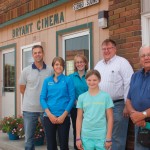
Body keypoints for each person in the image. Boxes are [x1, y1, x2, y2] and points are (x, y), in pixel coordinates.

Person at [94, 39, 133, 150]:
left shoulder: (122, 62)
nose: (106, 51)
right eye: (104, 49)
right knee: (103, 134)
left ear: (115, 49)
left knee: (117, 137)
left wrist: (127, 104)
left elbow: (129, 83)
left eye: (109, 48)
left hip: (118, 105)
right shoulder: (98, 65)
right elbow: (94, 83)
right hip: (101, 105)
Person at [19, 45, 53, 150]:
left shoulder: (50, 71)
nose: (37, 54)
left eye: (39, 52)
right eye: (35, 53)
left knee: (50, 138)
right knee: (29, 140)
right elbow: (22, 89)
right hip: (29, 109)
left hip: (46, 109)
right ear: (32, 55)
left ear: (43, 53)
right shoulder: (26, 71)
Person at [40, 56, 75, 150]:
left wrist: (64, 115)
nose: (58, 66)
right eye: (56, 64)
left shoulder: (68, 80)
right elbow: (42, 98)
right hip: (49, 117)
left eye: (61, 64)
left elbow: (72, 98)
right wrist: (49, 114)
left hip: (63, 116)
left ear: (63, 67)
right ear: (53, 66)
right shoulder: (47, 81)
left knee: (64, 145)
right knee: (51, 145)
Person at [76, 69, 114, 150]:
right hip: (86, 137)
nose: (92, 82)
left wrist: (109, 137)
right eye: (89, 80)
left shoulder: (105, 96)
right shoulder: (81, 97)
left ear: (99, 80)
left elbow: (110, 118)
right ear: (85, 80)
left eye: (94, 80)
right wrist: (78, 138)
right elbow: (79, 118)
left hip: (102, 137)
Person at [126, 45, 150, 150]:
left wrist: (143, 115)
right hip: (139, 123)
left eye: (149, 55)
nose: (146, 57)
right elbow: (128, 99)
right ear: (139, 59)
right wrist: (134, 116)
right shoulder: (135, 76)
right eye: (143, 55)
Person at [69, 54, 89, 150]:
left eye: (81, 62)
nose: (79, 64)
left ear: (85, 63)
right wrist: (77, 103)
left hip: (89, 109)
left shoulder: (90, 75)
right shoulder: (71, 77)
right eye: (77, 62)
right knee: (77, 131)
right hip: (75, 108)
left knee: (87, 130)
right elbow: (69, 93)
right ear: (75, 65)